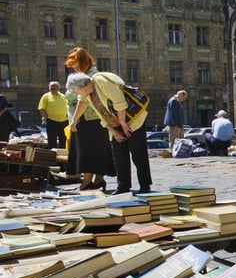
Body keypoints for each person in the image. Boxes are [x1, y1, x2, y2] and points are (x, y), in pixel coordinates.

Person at [67, 71, 151, 195]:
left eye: (76, 91)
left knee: (138, 153)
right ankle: (123, 186)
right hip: (115, 123)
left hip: (132, 120)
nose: (77, 94)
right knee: (119, 155)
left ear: (81, 87)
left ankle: (145, 185)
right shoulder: (88, 93)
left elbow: (119, 101)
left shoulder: (100, 81)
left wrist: (122, 123)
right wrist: (74, 120)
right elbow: (86, 104)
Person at [64, 48, 114, 190]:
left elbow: (83, 100)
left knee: (88, 151)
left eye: (75, 65)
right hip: (93, 119)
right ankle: (98, 180)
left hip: (89, 119)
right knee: (97, 150)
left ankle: (87, 181)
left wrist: (74, 120)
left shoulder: (90, 76)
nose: (74, 68)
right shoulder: (90, 73)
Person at [37, 81, 68, 149]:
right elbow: (41, 108)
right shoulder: (46, 96)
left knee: (63, 139)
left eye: (54, 88)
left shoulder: (63, 96)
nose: (53, 89)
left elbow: (68, 107)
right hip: (51, 120)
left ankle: (62, 155)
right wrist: (45, 118)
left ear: (58, 88)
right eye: (51, 88)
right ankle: (52, 154)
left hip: (64, 121)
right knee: (52, 139)